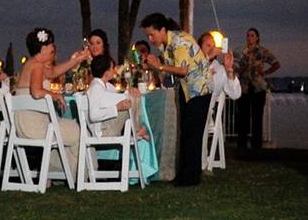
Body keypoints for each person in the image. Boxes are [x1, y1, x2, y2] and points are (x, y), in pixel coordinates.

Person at [140, 12, 212, 187]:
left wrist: (160, 65)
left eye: (152, 34)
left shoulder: (179, 41)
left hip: (199, 89)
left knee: (191, 133)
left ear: (162, 30)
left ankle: (190, 177)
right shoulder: (167, 45)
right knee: (186, 132)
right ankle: (186, 175)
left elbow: (182, 70)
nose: (150, 39)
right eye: (148, 35)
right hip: (187, 89)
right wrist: (154, 65)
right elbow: (166, 71)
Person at [14, 28, 89, 180]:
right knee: (80, 131)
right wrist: (55, 95)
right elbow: (36, 92)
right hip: (36, 128)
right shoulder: (37, 65)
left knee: (68, 129)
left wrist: (77, 59)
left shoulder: (32, 64)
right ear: (42, 48)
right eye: (51, 45)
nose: (54, 47)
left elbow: (54, 72)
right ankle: (82, 176)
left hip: (23, 126)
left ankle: (62, 173)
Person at [234, 28, 279, 151]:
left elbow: (276, 64)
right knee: (243, 118)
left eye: (252, 35)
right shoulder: (241, 51)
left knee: (257, 118)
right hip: (244, 88)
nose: (249, 38)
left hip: (258, 88)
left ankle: (256, 147)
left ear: (257, 37)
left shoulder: (263, 51)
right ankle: (241, 146)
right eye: (248, 35)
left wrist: (265, 72)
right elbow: (234, 65)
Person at [86, 55, 147, 140]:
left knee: (132, 97)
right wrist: (117, 108)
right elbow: (94, 115)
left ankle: (137, 129)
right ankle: (137, 130)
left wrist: (129, 92)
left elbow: (116, 97)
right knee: (131, 99)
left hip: (107, 126)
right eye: (112, 68)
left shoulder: (108, 86)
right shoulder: (95, 88)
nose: (114, 71)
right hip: (103, 131)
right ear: (106, 73)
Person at [198, 32, 241, 101]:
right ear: (199, 47)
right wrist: (207, 57)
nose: (212, 49)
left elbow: (235, 94)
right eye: (208, 45)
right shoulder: (193, 66)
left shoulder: (220, 69)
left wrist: (229, 71)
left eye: (213, 46)